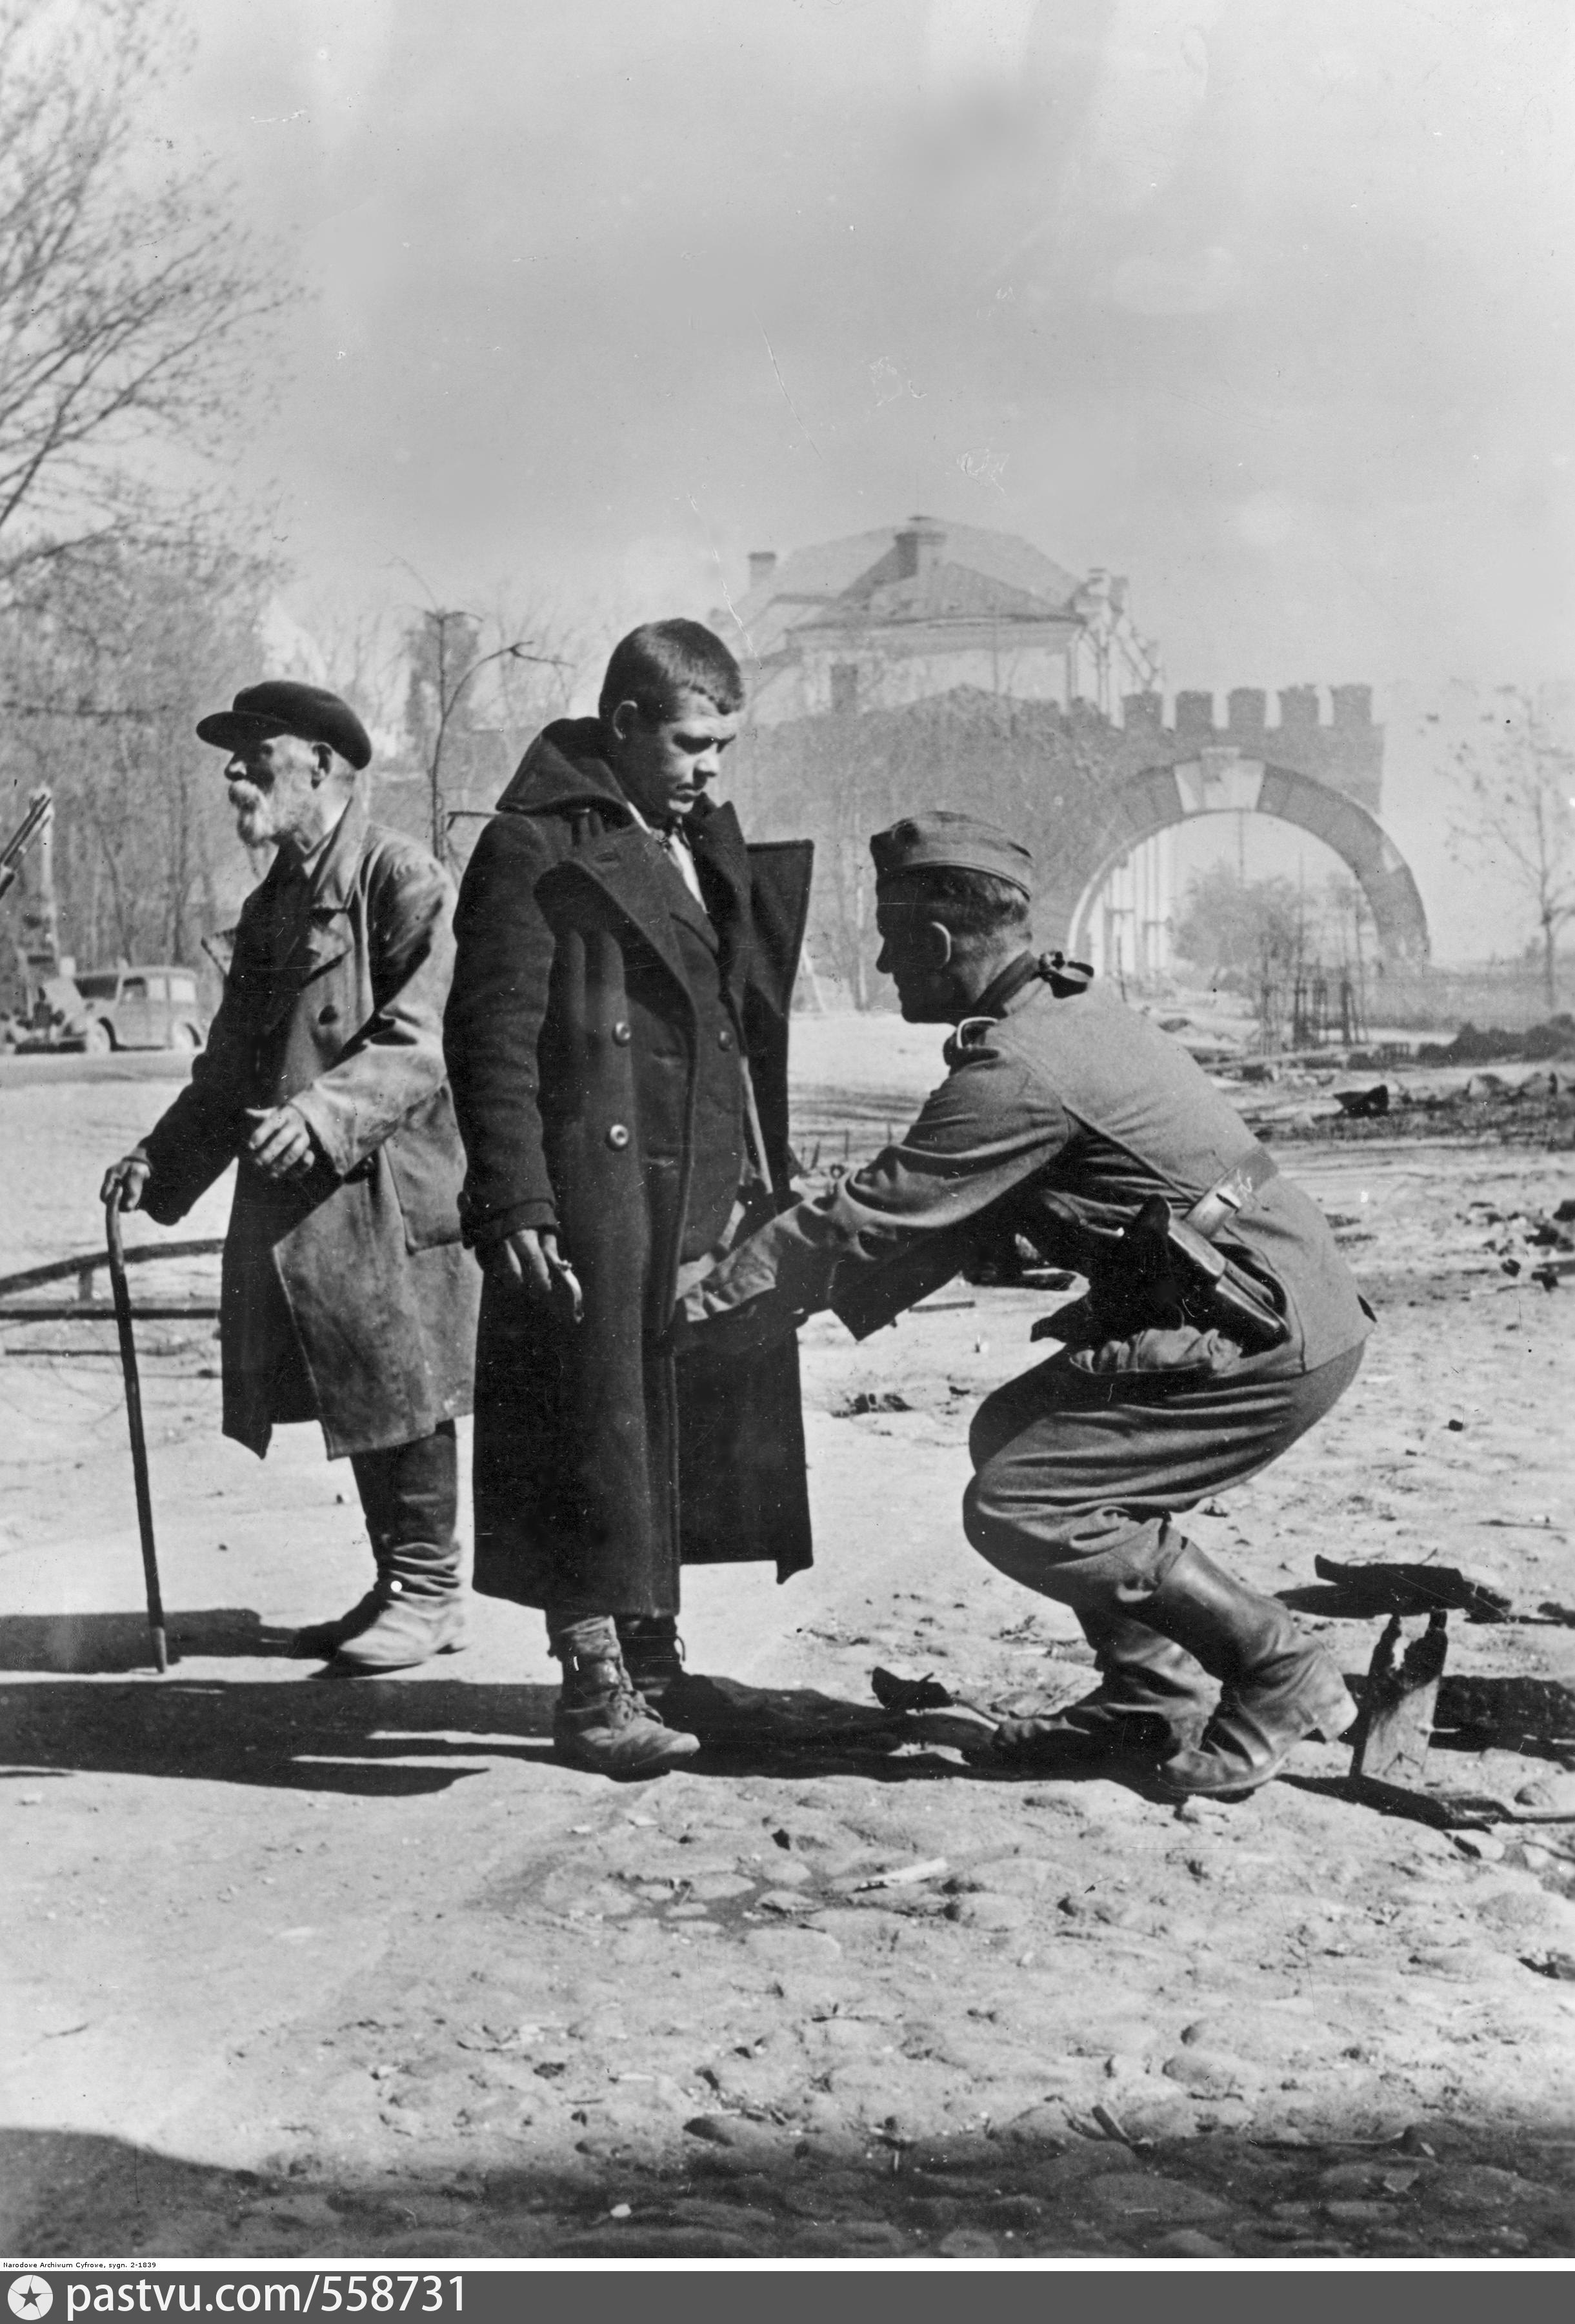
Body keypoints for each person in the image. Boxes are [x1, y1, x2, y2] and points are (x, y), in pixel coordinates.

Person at [677, 810, 1374, 1799]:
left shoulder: (1018, 1067)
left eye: (886, 940)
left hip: (1263, 1334)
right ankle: (1148, 1691)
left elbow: (874, 1212)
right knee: (1014, 1429)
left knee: (1021, 1503)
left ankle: (1275, 1662)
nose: (881, 963)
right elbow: (959, 1221)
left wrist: (709, 1304)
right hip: (1282, 1304)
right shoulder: (1059, 1011)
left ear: (933, 941)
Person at [443, 619, 813, 1778]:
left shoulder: (694, 841)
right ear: (625, 726)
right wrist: (514, 1203)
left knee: (672, 1422)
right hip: (596, 1194)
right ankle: (592, 1682)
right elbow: (490, 1037)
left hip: (698, 1189)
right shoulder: (534, 846)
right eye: (695, 744)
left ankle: (654, 1660)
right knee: (585, 1424)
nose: (712, 768)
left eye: (727, 747)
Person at [101, 681, 479, 1674]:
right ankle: (399, 1579)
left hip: (385, 1190)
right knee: (354, 1383)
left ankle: (432, 1590)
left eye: (252, 756)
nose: (233, 775)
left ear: (320, 764)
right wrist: (162, 1159)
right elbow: (231, 1066)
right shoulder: (274, 902)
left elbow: (425, 1037)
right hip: (308, 1202)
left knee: (404, 1380)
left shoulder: (401, 876)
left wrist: (320, 1116)